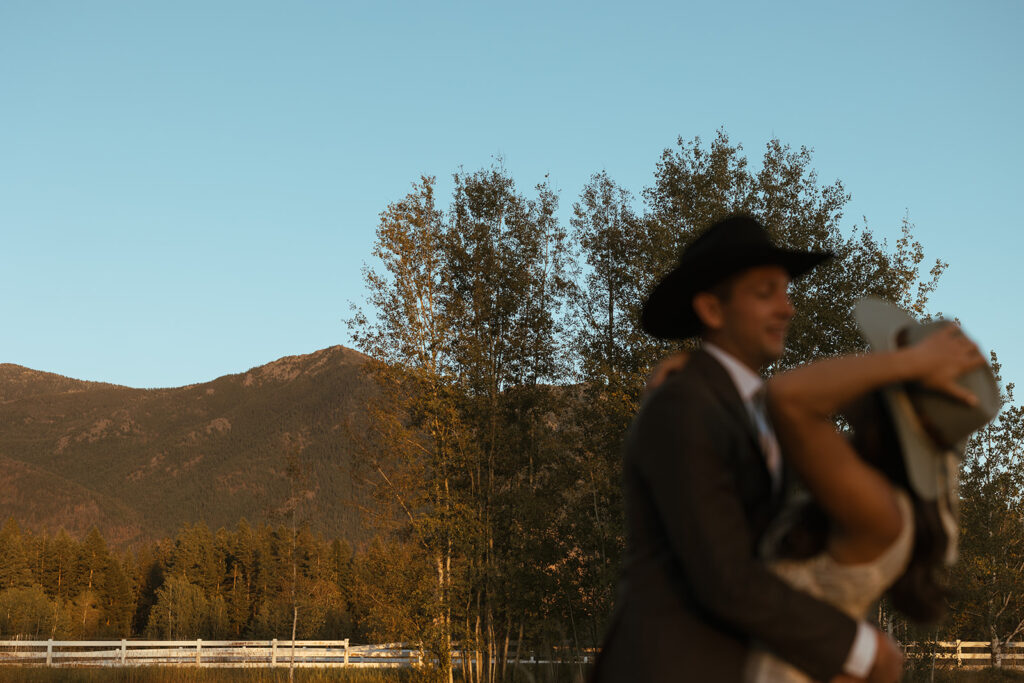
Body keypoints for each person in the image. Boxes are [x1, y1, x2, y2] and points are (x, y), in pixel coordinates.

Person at [591, 214, 903, 682]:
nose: (787, 308)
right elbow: (725, 580)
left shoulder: (745, 409)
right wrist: (858, 648)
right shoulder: (682, 407)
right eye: (765, 293)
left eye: (785, 291)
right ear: (712, 312)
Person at [645, 297, 999, 682]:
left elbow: (789, 399)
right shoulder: (861, 489)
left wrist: (911, 364)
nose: (863, 366)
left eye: (876, 364)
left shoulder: (880, 508)